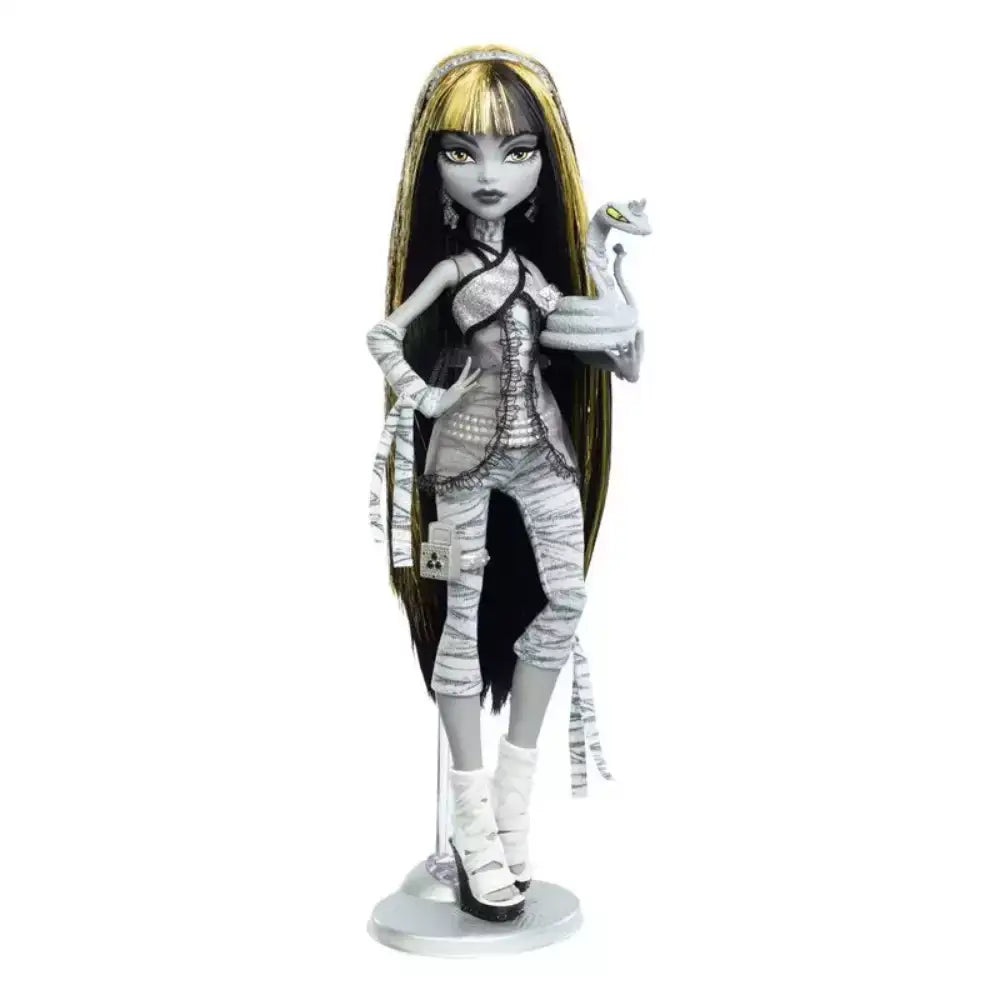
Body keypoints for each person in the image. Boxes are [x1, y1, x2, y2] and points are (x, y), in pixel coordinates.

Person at [367, 45, 643, 922]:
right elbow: (382, 336)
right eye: (464, 152)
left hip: (543, 451)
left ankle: (510, 807)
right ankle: (472, 822)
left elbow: (593, 339)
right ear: (436, 168)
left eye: (517, 153)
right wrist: (424, 395)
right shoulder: (452, 271)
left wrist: (615, 296)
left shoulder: (532, 274)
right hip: (462, 454)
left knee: (566, 599)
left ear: (540, 168)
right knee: (461, 615)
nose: (490, 175)